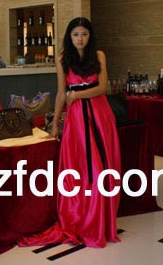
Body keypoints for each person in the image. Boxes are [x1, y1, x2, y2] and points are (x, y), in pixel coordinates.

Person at [20, 17, 121, 248]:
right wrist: (55, 124)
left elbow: (102, 88)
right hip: (76, 119)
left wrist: (76, 95)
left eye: (84, 34)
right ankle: (83, 216)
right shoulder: (63, 59)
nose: (80, 39)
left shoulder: (99, 55)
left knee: (101, 167)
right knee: (80, 167)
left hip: (100, 115)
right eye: (76, 34)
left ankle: (101, 220)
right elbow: (60, 93)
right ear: (69, 36)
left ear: (90, 36)